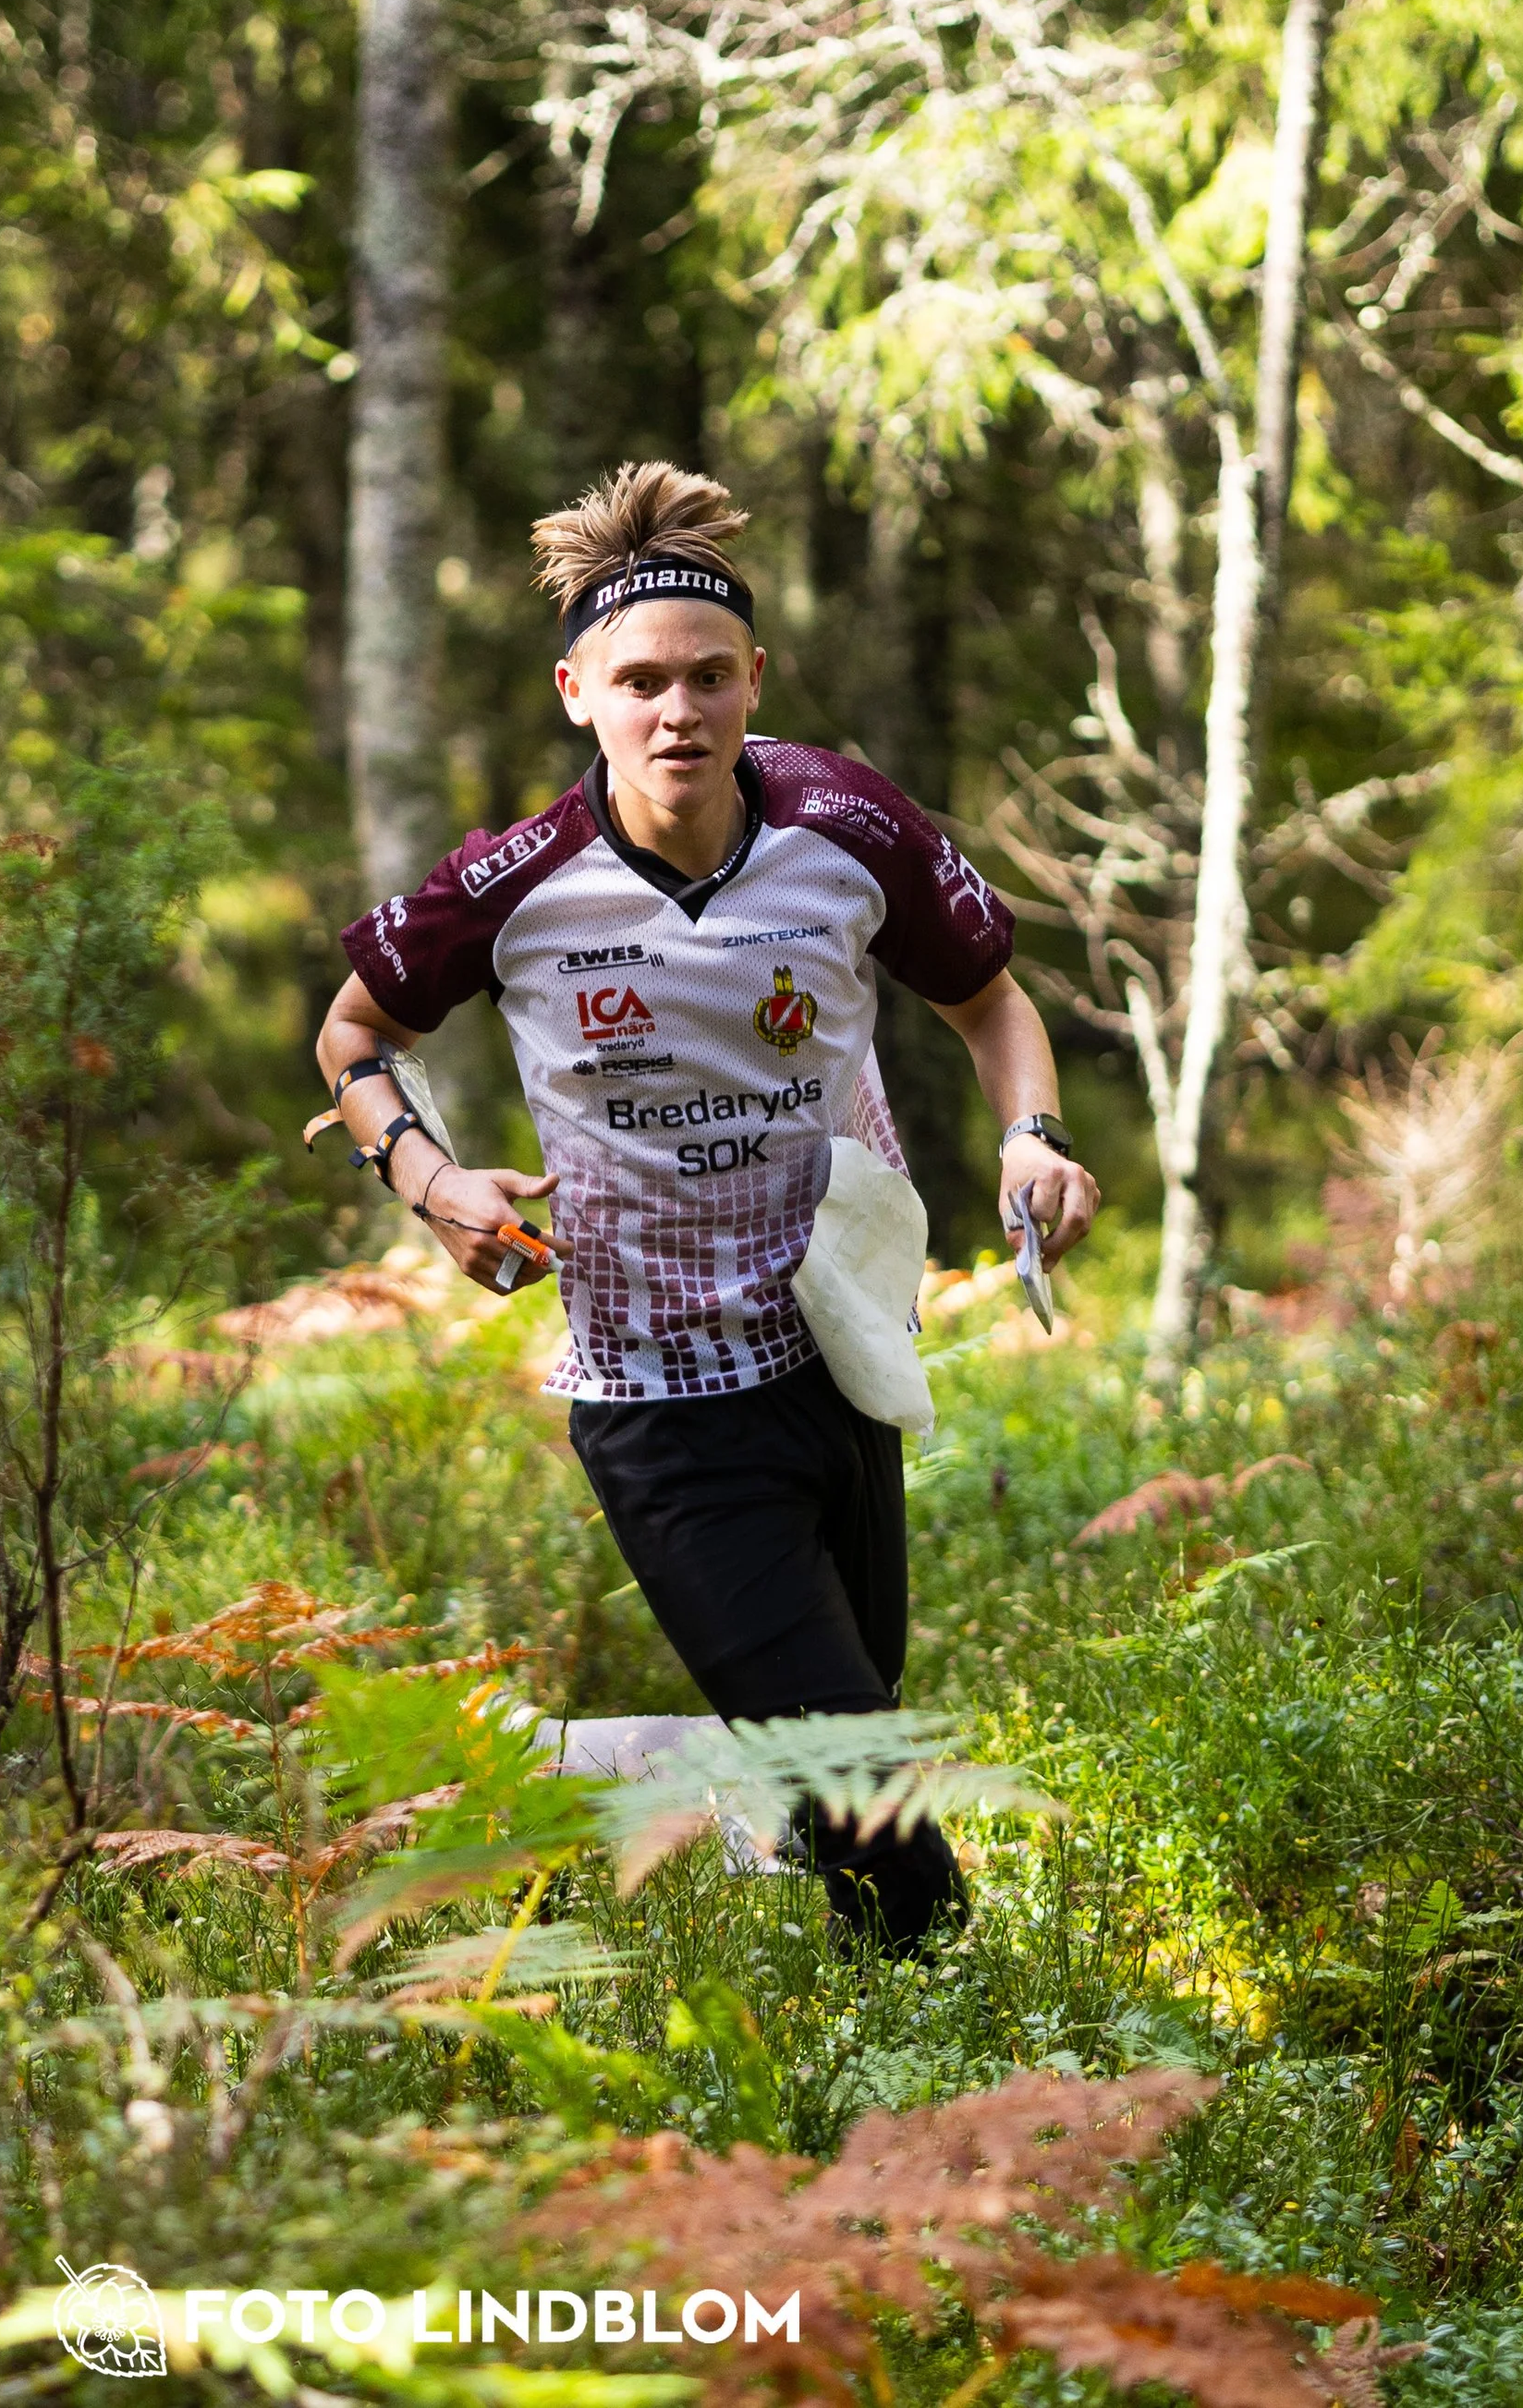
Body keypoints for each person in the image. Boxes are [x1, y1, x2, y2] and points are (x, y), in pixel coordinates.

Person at [313, 462, 1100, 1949]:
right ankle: (966, 2086)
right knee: (874, 1809)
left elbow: (991, 1003)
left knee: (838, 1758)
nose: (677, 712)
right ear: (577, 692)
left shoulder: (845, 825)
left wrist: (1032, 1138)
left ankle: (599, 1767)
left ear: (757, 683)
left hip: (842, 1354)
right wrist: (431, 1185)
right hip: (658, 1394)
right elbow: (353, 1036)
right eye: (641, 682)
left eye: (709, 678)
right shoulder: (519, 880)